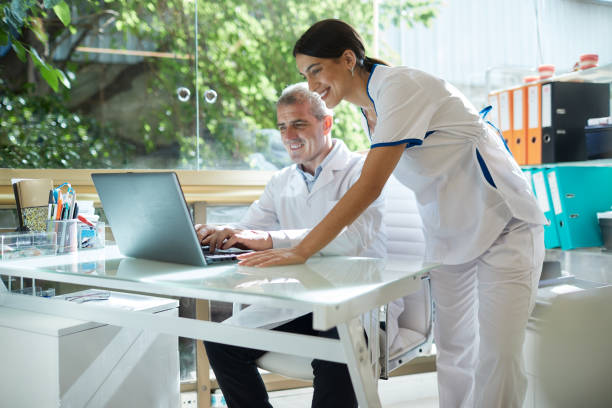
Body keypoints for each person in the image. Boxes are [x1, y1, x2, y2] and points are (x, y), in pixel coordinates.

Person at [238, 19, 547, 408]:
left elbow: (368, 186)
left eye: (316, 70)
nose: (312, 84)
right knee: (454, 351)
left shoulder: (399, 87)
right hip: (450, 232)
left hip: (504, 223)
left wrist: (302, 250)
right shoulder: (370, 107)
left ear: (348, 59)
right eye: (305, 74)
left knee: (498, 353)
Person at [198, 82, 388, 408]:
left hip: (353, 306)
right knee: (220, 341)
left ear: (326, 123)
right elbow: (250, 228)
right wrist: (222, 232)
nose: (289, 135)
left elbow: (351, 239)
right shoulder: (282, 180)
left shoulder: (362, 173)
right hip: (298, 303)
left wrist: (269, 239)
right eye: (282, 126)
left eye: (298, 123)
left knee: (336, 351)